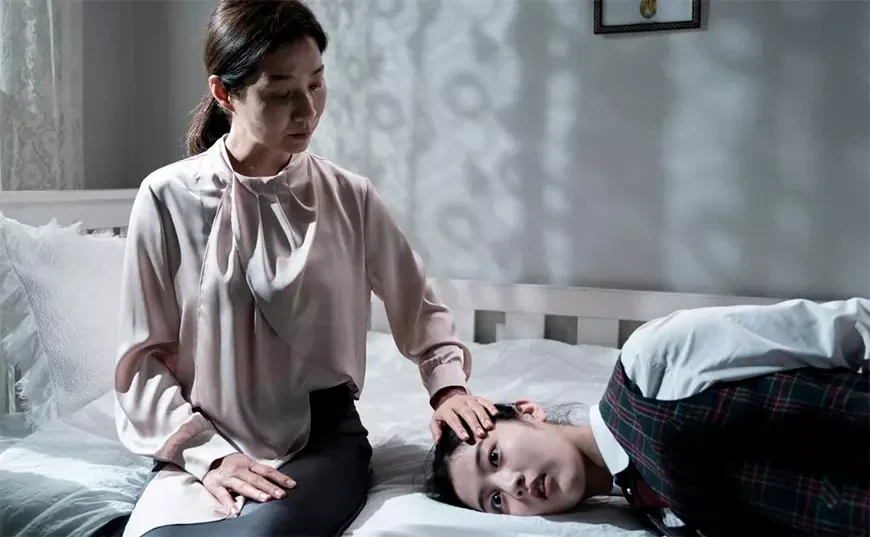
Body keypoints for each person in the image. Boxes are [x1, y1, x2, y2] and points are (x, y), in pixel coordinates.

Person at [113, 1, 497, 536]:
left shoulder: (349, 197)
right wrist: (209, 455)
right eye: (280, 93)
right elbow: (141, 363)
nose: (307, 110)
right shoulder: (166, 198)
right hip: (205, 444)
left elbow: (421, 311)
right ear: (224, 93)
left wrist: (448, 388)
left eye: (316, 84)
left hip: (322, 440)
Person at [427, 298, 869, 536]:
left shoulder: (648, 364)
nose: (513, 485)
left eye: (495, 457)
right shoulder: (659, 514)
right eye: (495, 501)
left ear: (528, 412)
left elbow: (842, 331)